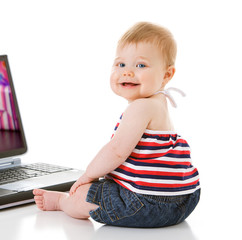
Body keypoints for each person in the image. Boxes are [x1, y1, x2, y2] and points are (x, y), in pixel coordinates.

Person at [33, 22, 200, 228]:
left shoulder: (140, 108)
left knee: (85, 193)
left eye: (140, 65)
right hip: (185, 200)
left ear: (167, 75)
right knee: (106, 187)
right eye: (121, 64)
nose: (127, 72)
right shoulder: (160, 103)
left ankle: (63, 201)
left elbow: (116, 151)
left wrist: (87, 176)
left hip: (147, 203)